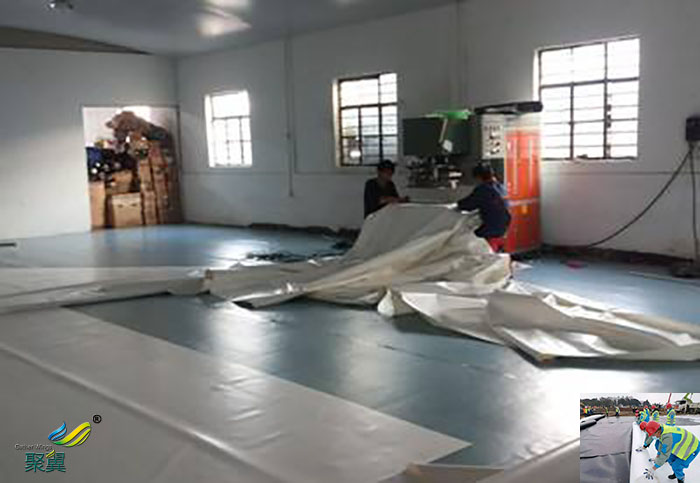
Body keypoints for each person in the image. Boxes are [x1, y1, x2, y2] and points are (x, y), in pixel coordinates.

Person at [456, 162, 511, 252]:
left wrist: (456, 205)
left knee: (464, 238)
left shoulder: (484, 189)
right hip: (503, 228)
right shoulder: (501, 187)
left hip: (490, 229)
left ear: (479, 177)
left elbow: (466, 205)